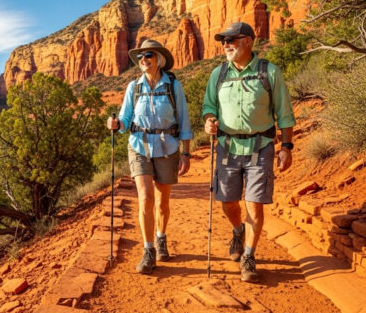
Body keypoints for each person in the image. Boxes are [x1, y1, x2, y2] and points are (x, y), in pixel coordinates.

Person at [202, 22, 296, 282]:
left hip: (261, 148)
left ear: (248, 42)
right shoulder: (218, 74)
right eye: (224, 40)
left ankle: (249, 255)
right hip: (227, 148)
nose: (226, 44)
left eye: (232, 39)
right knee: (228, 202)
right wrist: (209, 120)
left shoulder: (270, 72)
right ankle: (237, 230)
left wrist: (286, 148)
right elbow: (209, 106)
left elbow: (285, 115)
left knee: (254, 204)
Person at [107, 39, 193, 274]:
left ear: (159, 59)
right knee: (145, 198)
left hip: (168, 147)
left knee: (162, 201)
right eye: (140, 57)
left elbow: (184, 119)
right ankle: (148, 250)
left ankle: (161, 236)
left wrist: (186, 152)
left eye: (148, 56)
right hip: (139, 147)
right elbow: (125, 119)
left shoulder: (173, 85)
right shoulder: (133, 87)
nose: (143, 60)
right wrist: (116, 124)